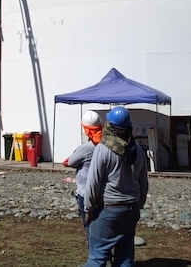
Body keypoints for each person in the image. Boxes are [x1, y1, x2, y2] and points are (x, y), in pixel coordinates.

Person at [82, 106, 148, 267]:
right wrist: (138, 205)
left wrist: (88, 209)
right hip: (131, 208)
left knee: (98, 255)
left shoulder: (103, 149)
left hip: (110, 208)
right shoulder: (138, 150)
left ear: (109, 126)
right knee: (125, 256)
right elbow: (143, 183)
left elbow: (93, 183)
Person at [63, 110, 104, 240]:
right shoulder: (107, 145)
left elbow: (70, 162)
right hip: (104, 192)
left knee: (89, 225)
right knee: (103, 227)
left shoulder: (86, 148)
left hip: (86, 192)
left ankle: (95, 251)